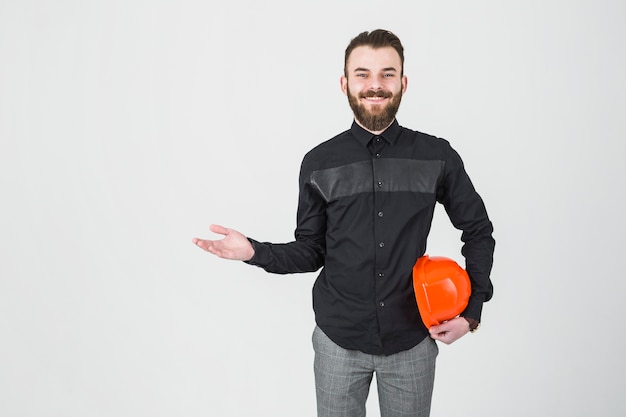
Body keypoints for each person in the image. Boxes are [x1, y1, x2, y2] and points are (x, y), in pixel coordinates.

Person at [193, 29, 495, 417]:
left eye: (387, 74)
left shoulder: (437, 156)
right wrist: (253, 251)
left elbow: (478, 231)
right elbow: (311, 251)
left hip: (412, 342)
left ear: (403, 82)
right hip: (337, 343)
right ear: (345, 83)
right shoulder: (319, 163)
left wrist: (471, 314)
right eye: (363, 74)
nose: (375, 85)